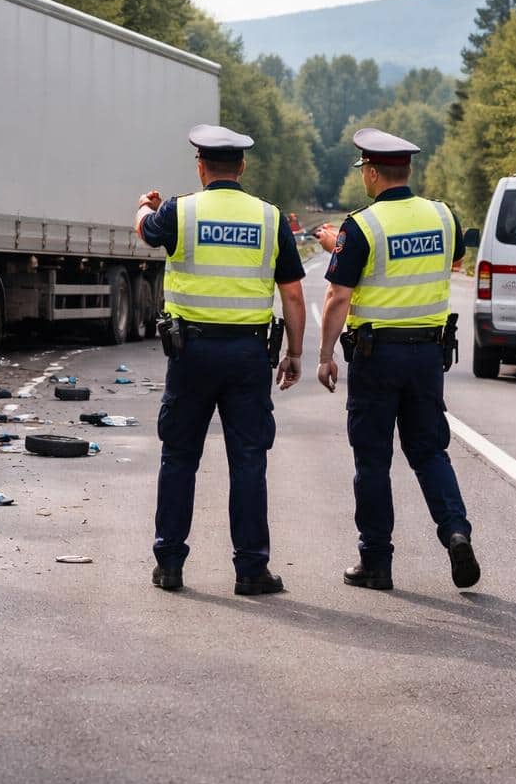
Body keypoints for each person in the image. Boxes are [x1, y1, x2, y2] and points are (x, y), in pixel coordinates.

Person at [135, 124, 307, 595]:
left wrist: (144, 207)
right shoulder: (270, 219)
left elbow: (146, 233)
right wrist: (294, 353)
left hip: (190, 355)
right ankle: (251, 569)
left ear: (200, 166)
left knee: (179, 457)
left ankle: (169, 563)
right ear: (243, 167)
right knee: (249, 461)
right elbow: (292, 293)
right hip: (249, 355)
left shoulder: (179, 211)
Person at [313, 127, 480, 591]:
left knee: (372, 460)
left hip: (376, 357)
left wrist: (326, 355)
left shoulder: (361, 226)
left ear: (370, 172)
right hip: (428, 355)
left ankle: (376, 562)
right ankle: (456, 531)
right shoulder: (444, 216)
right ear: (408, 169)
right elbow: (443, 262)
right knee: (429, 452)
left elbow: (338, 295)